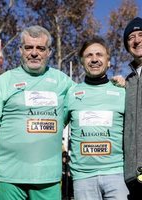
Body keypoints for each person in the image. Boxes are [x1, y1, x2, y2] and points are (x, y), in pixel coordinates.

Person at [0, 25, 74, 200]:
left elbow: (87, 99)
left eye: (40, 48)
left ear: (49, 52)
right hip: (9, 177)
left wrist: (113, 83)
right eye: (29, 47)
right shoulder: (5, 81)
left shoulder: (63, 81)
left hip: (48, 179)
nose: (34, 53)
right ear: (21, 50)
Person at [65, 36, 129, 200]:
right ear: (82, 61)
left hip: (117, 174)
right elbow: (55, 129)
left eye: (99, 55)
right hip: (82, 178)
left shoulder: (123, 91)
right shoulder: (71, 93)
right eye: (89, 55)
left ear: (108, 61)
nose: (94, 59)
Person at [123, 17, 142, 199]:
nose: (136, 40)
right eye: (131, 37)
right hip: (132, 176)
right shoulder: (127, 82)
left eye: (141, 35)